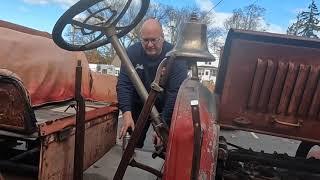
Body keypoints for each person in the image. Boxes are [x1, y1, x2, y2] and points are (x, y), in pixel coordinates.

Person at [116, 18, 188, 148]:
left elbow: (175, 93)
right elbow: (124, 83)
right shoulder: (132, 53)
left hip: (166, 104)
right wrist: (126, 113)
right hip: (140, 103)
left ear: (162, 37)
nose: (149, 45)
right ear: (140, 38)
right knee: (133, 141)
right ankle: (131, 151)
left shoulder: (176, 57)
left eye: (154, 40)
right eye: (145, 40)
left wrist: (163, 124)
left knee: (165, 144)